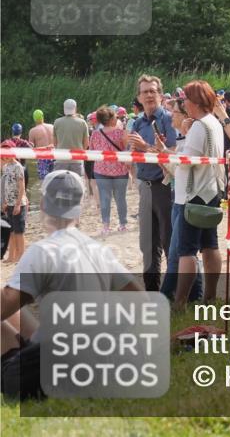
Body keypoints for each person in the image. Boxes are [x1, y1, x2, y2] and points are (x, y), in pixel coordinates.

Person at [0, 170, 142, 401]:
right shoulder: (99, 250)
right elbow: (139, 299)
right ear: (80, 205)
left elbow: (4, 306)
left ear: (44, 204)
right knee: (19, 305)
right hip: (97, 358)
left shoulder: (42, 250)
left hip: (56, 370)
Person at [152, 81, 224, 311]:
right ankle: (210, 297)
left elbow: (185, 165)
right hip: (210, 190)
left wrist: (165, 157)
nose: (183, 104)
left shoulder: (199, 127)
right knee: (210, 246)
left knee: (187, 251)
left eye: (185, 100)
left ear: (194, 102)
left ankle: (180, 302)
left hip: (192, 195)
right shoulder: (214, 123)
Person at [126, 75, 178, 291]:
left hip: (165, 186)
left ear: (159, 94)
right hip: (144, 186)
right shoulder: (137, 122)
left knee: (169, 242)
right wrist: (133, 153)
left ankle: (176, 293)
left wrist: (145, 146)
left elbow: (173, 154)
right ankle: (153, 293)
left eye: (152, 91)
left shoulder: (167, 119)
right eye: (144, 91)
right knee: (147, 245)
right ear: (138, 96)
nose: (148, 95)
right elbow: (135, 154)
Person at [89, 107, 130, 235]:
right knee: (121, 198)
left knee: (104, 198)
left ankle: (106, 226)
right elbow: (126, 149)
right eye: (115, 117)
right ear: (111, 119)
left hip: (101, 170)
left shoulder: (95, 134)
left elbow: (92, 150)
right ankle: (122, 224)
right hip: (120, 170)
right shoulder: (121, 132)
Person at [1, 143, 27, 263]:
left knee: (19, 232)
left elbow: (21, 186)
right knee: (11, 231)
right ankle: (11, 255)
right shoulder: (5, 166)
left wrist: (18, 204)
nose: (4, 156)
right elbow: (5, 185)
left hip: (18, 204)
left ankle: (21, 256)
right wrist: (5, 201)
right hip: (9, 203)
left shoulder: (18, 166)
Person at [52, 99, 88, 177]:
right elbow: (86, 143)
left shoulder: (57, 122)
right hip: (77, 159)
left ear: (64, 108)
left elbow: (55, 143)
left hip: (61, 159)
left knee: (60, 185)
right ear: (75, 108)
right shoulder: (82, 123)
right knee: (77, 185)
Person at [27, 110, 54, 185]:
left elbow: (31, 148)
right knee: (55, 180)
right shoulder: (52, 127)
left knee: (44, 182)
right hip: (55, 155)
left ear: (34, 119)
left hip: (43, 158)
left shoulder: (33, 131)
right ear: (43, 117)